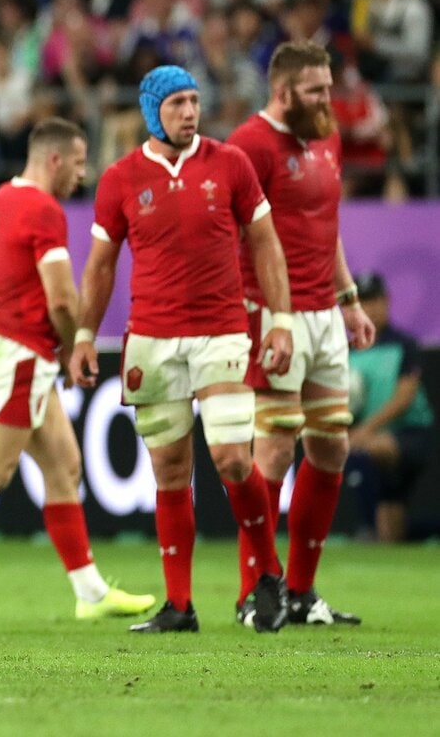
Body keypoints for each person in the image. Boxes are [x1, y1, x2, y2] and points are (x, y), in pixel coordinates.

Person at [69, 65, 295, 634]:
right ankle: (179, 605)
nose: (190, 112)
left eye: (194, 100)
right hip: (151, 337)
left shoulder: (230, 163)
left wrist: (281, 321)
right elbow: (100, 267)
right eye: (177, 103)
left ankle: (268, 573)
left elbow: (266, 243)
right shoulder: (120, 178)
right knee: (169, 470)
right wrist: (83, 336)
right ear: (152, 109)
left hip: (222, 330)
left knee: (233, 458)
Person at [0, 117, 156, 623]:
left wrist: (6, 307)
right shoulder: (42, 209)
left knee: (65, 468)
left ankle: (90, 592)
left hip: (18, 351)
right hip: (21, 355)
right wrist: (75, 344)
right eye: (78, 163)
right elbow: (61, 298)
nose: (83, 174)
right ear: (54, 160)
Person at [226, 41, 374, 627]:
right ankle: (255, 591)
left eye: (328, 86)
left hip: (324, 314)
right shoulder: (250, 145)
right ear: (283, 91)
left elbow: (325, 225)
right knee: (275, 447)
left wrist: (349, 300)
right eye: (315, 90)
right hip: (271, 314)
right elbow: (233, 235)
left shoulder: (327, 137)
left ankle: (302, 592)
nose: (326, 99)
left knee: (332, 446)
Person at [346, 272, 434, 543]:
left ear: (386, 301)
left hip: (408, 434)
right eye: (362, 302)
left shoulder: (404, 345)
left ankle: (365, 525)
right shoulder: (347, 351)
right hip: (368, 432)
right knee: (391, 529)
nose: (369, 309)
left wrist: (364, 431)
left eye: (373, 301)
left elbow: (404, 397)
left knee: (367, 450)